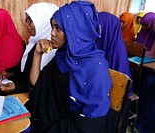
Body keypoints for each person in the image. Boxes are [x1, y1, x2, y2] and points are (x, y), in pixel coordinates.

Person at [29, 1, 112, 132]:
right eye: (52, 27)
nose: (52, 33)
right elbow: (37, 84)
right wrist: (37, 54)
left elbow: (89, 126)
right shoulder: (63, 57)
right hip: (51, 123)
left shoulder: (95, 70)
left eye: (58, 28)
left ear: (75, 30)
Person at [0, 2, 58, 93]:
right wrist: (10, 72)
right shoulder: (33, 43)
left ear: (43, 21)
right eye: (26, 20)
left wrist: (17, 87)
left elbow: (43, 84)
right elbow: (25, 70)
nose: (26, 24)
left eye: (30, 20)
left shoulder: (52, 49)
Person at [96, 12, 132, 133]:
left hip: (113, 103)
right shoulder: (98, 44)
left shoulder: (118, 55)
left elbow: (118, 92)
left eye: (99, 28)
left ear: (108, 29)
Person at [136, 12, 155, 133]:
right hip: (144, 64)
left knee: (148, 81)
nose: (144, 28)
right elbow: (138, 46)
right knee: (142, 79)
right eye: (142, 25)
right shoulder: (143, 32)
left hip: (150, 67)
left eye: (146, 25)